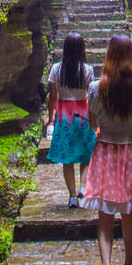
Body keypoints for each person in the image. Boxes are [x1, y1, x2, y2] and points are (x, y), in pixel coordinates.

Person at [82, 34, 132, 265]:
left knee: (104, 212)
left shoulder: (95, 88)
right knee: (128, 211)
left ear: (108, 55)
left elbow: (93, 125)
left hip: (105, 149)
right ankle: (129, 264)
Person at [45, 32, 95, 206]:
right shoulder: (87, 70)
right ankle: (83, 188)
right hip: (83, 113)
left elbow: (53, 97)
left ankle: (73, 196)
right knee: (86, 155)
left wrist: (50, 117)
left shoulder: (56, 69)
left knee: (67, 159)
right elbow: (91, 95)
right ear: (82, 49)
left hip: (64, 114)